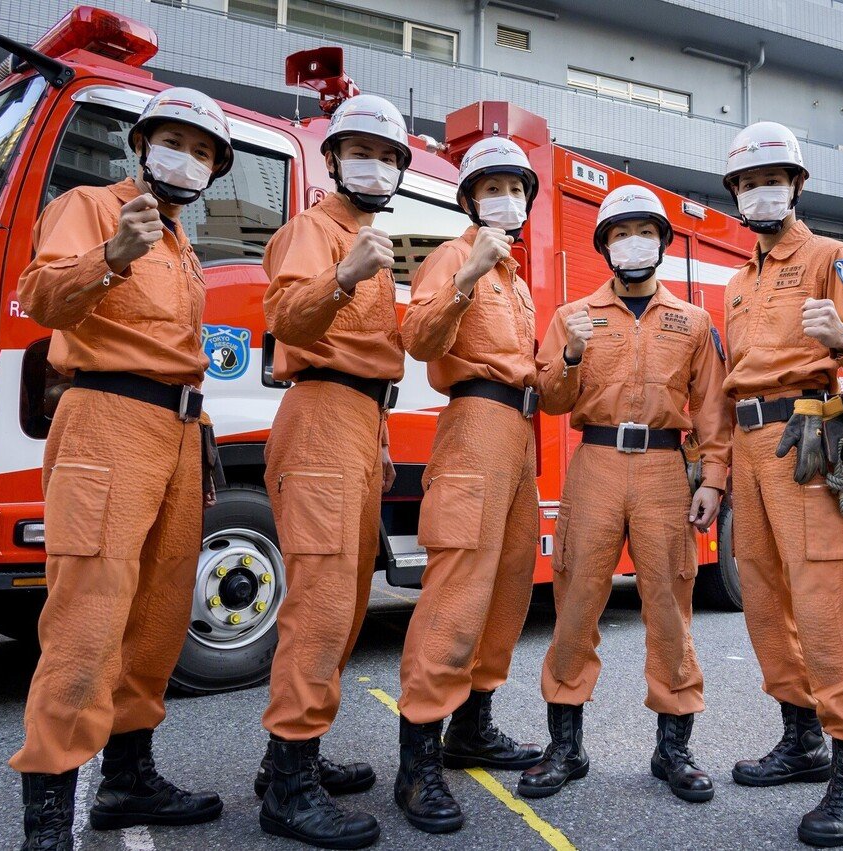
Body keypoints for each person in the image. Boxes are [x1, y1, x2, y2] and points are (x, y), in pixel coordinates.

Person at [11, 87, 233, 849]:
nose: (189, 159)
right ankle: (47, 823)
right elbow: (38, 296)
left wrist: (197, 427)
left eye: (204, 152)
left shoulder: (182, 242)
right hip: (106, 418)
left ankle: (127, 778)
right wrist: (110, 258)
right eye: (176, 142)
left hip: (177, 431)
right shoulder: (94, 206)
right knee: (88, 618)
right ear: (143, 146)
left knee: (161, 613)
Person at [518, 185, 731, 803]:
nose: (632, 241)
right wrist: (573, 355)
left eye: (645, 230)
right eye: (619, 232)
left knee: (669, 605)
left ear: (663, 243)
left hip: (666, 469)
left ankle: (674, 750)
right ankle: (566, 746)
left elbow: (712, 409)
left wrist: (713, 479)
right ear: (605, 246)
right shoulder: (573, 316)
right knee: (577, 601)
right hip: (596, 465)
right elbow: (552, 400)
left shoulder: (692, 321)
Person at [721, 121, 843, 847]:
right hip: (747, 437)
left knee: (823, 601)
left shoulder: (831, 257)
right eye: (748, 182)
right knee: (762, 596)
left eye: (773, 179)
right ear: (737, 194)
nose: (761, 191)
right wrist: (719, 470)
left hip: (807, 435)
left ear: (795, 186)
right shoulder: (737, 281)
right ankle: (801, 738)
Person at [255, 92, 413, 849]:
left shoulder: (366, 239)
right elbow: (286, 319)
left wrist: (378, 434)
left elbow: (370, 360)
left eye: (388, 157)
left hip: (355, 420)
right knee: (319, 602)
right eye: (362, 151)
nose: (375, 166)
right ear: (332, 159)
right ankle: (289, 787)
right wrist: (345, 275)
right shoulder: (313, 232)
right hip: (318, 417)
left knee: (347, 601)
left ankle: (288, 758)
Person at [394, 136, 546, 834]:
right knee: (457, 589)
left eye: (516, 186)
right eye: (491, 186)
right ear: (467, 198)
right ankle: (418, 758)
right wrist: (465, 275)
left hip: (520, 434)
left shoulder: (516, 280)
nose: (505, 197)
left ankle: (473, 727)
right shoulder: (456, 258)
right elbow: (420, 339)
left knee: (511, 585)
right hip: (474, 423)